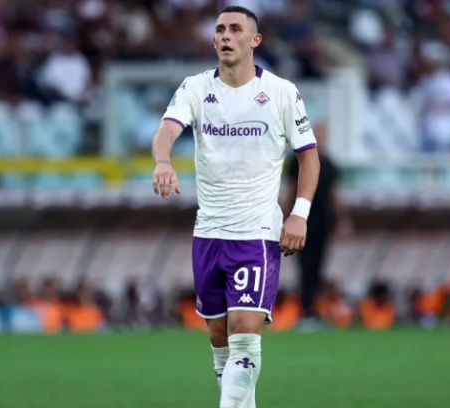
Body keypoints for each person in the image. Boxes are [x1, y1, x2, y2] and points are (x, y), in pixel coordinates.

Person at [151, 6, 320, 407]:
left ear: (254, 40)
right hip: (209, 232)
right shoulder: (195, 88)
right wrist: (162, 161)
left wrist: (299, 214)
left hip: (256, 233)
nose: (226, 35)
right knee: (219, 340)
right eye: (220, 29)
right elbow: (166, 130)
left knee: (244, 332)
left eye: (235, 29)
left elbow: (309, 156)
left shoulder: (281, 92)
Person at [284, 124, 353, 329]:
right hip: (302, 221)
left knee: (317, 267)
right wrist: (285, 215)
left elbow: (334, 194)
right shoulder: (297, 160)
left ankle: (313, 311)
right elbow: (291, 189)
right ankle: (305, 311)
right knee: (305, 266)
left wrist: (342, 220)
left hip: (323, 221)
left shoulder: (329, 163)